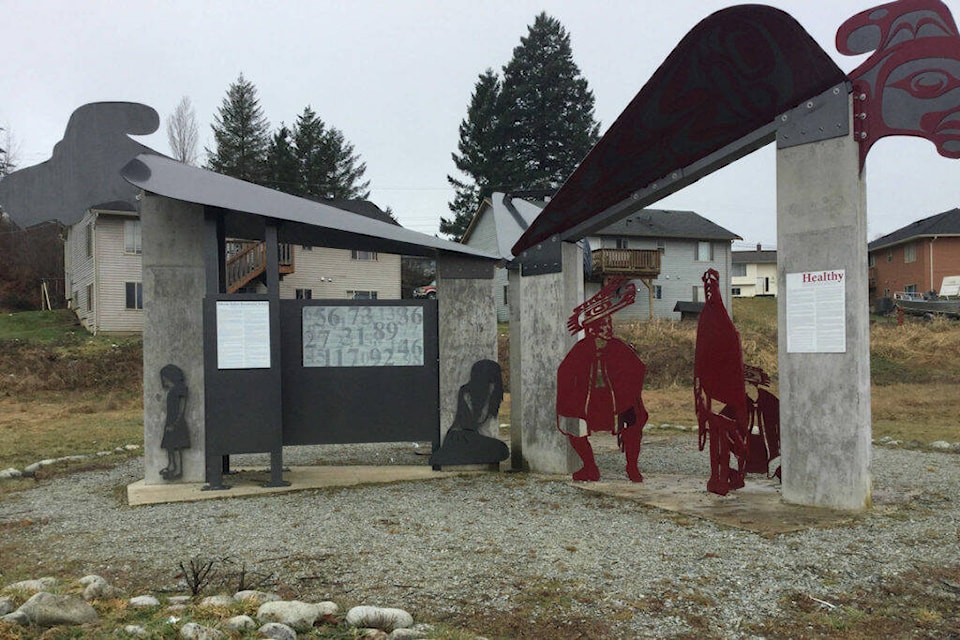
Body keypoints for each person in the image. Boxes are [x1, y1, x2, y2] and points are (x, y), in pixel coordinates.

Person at [556, 278, 648, 482]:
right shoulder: (582, 350)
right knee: (573, 427)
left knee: (633, 425)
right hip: (589, 402)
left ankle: (632, 468)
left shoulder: (619, 348)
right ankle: (590, 467)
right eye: (604, 325)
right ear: (594, 328)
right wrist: (572, 394)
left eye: (609, 324)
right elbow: (565, 373)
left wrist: (628, 391)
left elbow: (638, 369)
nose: (608, 329)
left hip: (617, 401)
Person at [429, 359, 509, 466]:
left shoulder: (490, 394)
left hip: (471, 436)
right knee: (499, 449)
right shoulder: (467, 392)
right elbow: (472, 422)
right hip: (460, 436)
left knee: (501, 449)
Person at [159, 364, 189, 480]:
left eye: (165, 378)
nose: (164, 381)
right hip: (170, 421)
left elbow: (182, 408)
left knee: (177, 447)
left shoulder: (180, 390)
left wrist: (175, 423)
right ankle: (171, 466)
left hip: (176, 422)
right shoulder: (172, 390)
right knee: (170, 446)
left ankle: (178, 469)